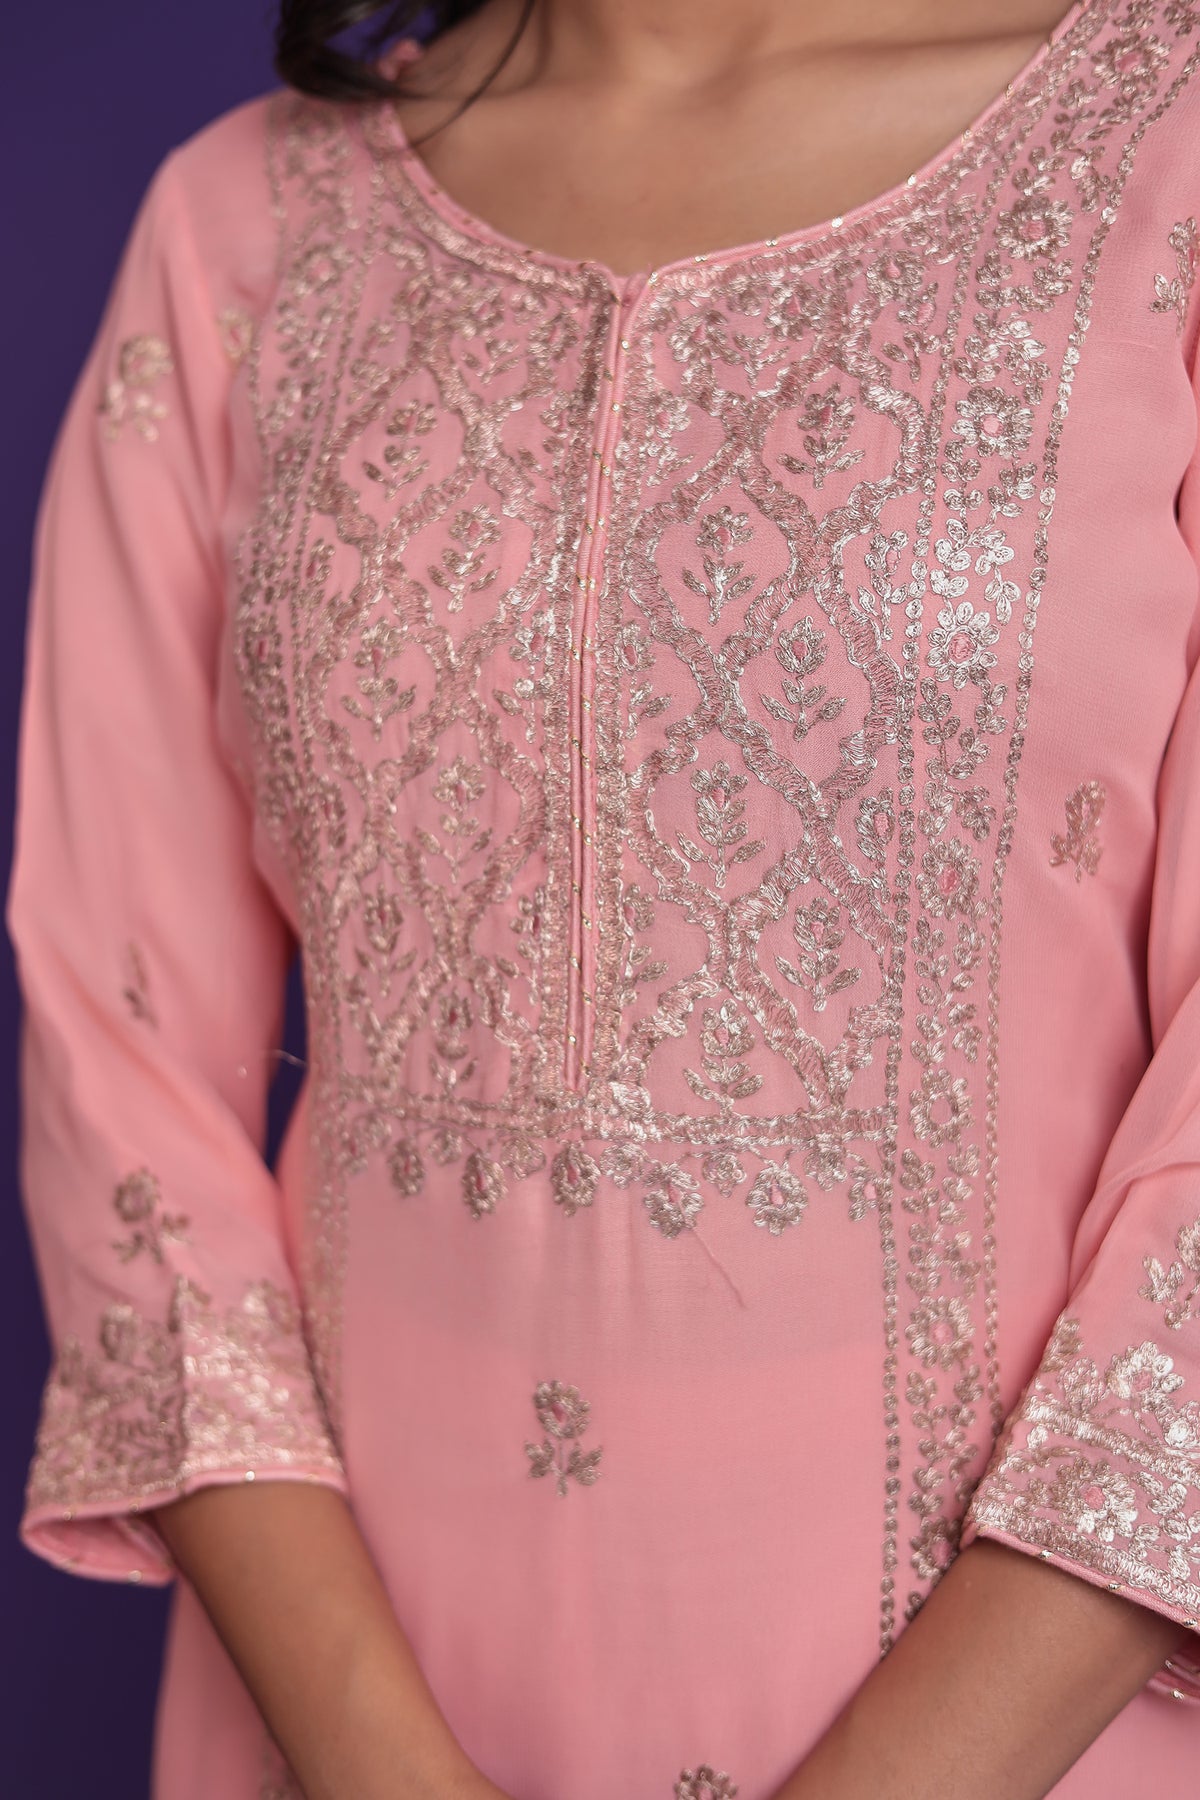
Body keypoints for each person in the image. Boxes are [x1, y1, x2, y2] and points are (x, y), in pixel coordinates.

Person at [10, 0, 1200, 1793]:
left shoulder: (1162, 146)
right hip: (345, 1725)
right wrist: (376, 1764)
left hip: (1037, 1730)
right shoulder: (247, 220)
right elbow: (120, 1061)